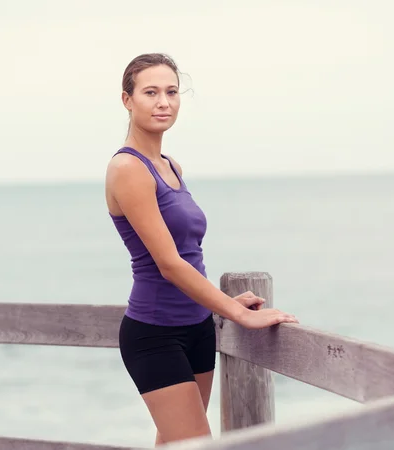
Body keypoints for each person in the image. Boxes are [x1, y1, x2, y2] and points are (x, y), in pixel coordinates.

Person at [105, 53, 299, 446]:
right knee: (196, 444)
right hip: (155, 334)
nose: (164, 102)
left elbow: (189, 252)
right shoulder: (127, 169)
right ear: (127, 100)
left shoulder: (171, 165)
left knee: (175, 442)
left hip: (197, 328)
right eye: (151, 92)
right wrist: (236, 313)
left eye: (172, 92)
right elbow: (169, 264)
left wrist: (215, 304)